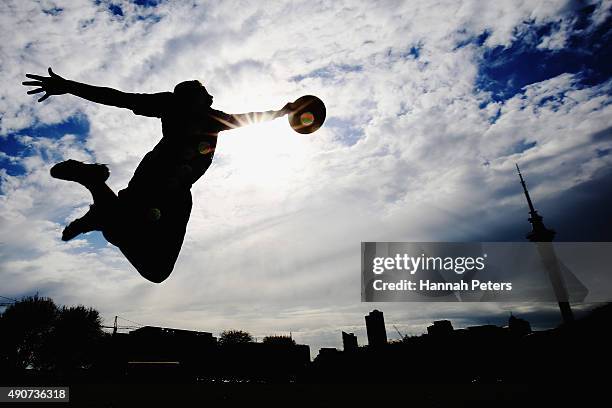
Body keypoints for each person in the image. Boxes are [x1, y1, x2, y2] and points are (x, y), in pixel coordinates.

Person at [22, 68, 295, 283]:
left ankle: (99, 197)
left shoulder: (182, 107)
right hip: (167, 189)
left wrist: (280, 112)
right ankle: (98, 197)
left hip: (154, 181)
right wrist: (281, 113)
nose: (205, 97)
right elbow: (249, 118)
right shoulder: (202, 114)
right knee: (154, 268)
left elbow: (117, 97)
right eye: (198, 93)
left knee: (132, 243)